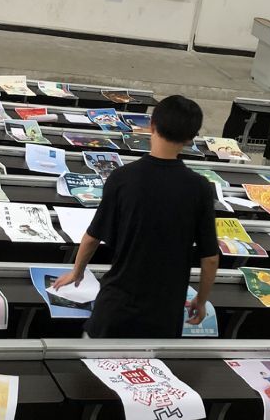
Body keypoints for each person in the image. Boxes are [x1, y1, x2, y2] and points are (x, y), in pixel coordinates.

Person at [53, 94, 219, 337]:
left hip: (116, 309)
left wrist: (77, 272)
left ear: (151, 125)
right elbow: (210, 258)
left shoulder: (122, 178)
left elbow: (92, 237)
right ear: (190, 138)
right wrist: (201, 301)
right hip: (164, 315)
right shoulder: (200, 188)